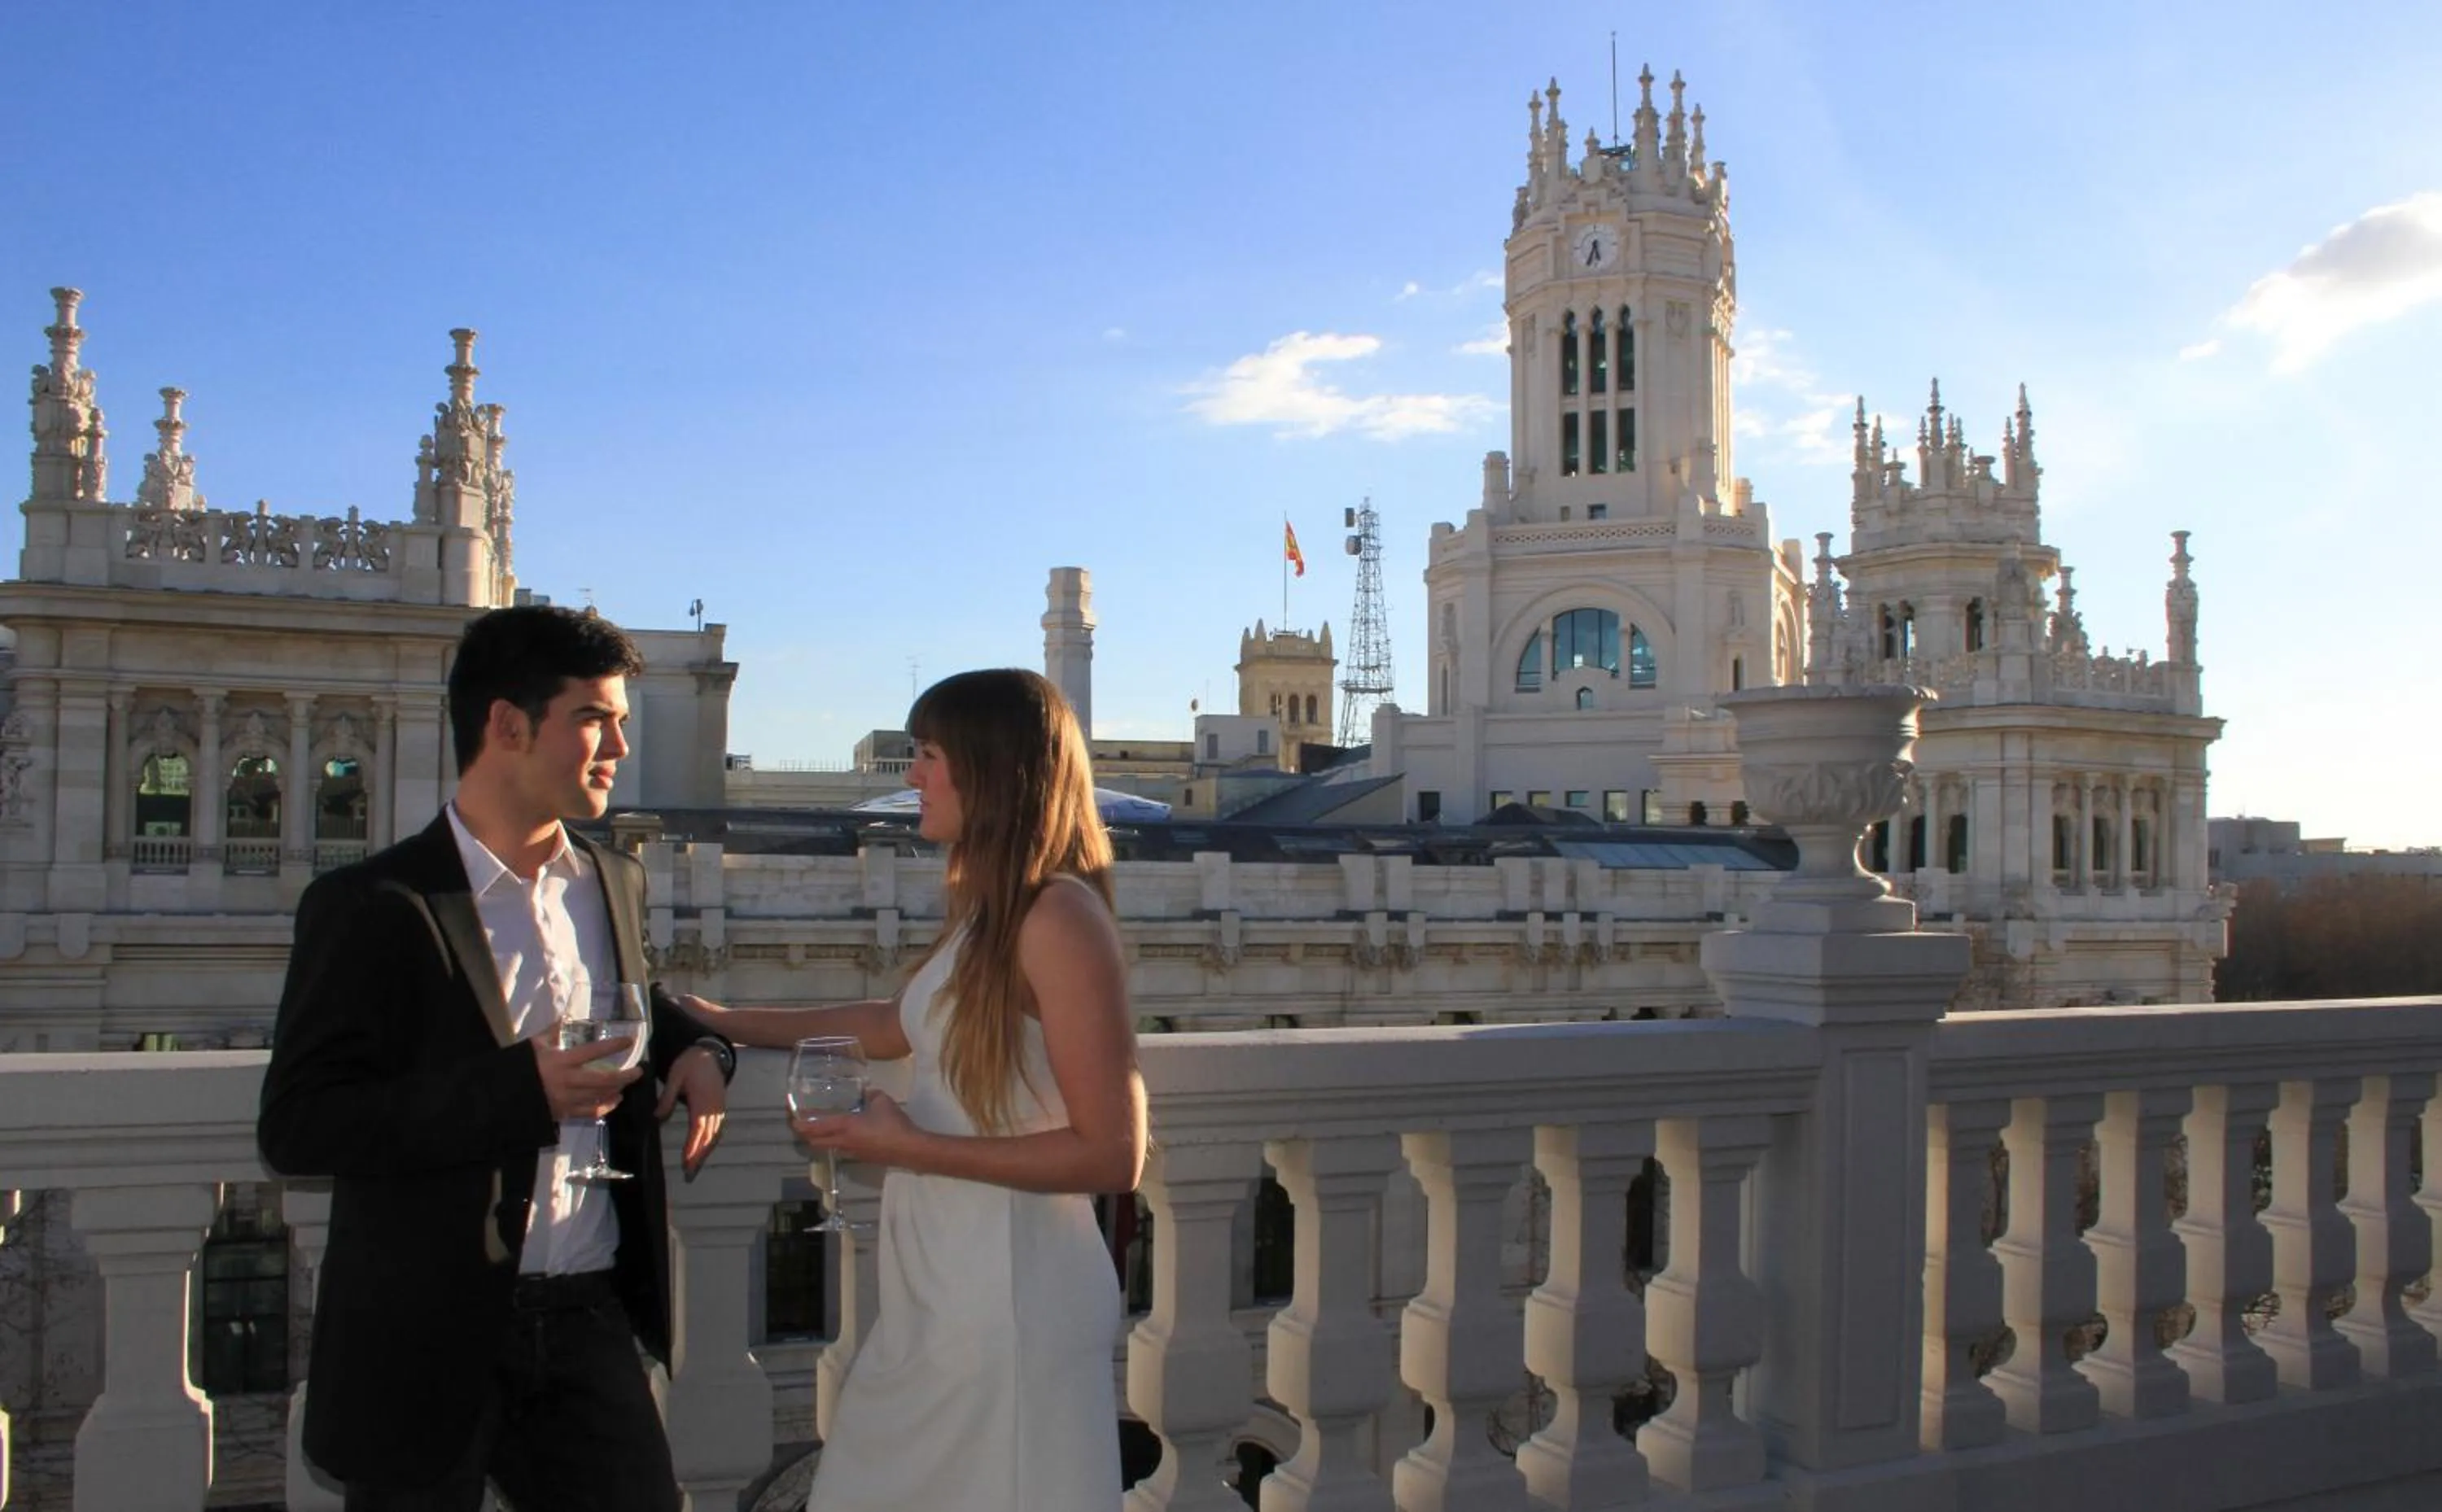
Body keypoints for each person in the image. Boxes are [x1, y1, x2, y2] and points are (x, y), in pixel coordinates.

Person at [257, 605, 735, 1511]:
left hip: (588, 1317)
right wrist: (521, 1091)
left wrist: (702, 1048)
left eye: (622, 722)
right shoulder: (374, 904)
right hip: (426, 1334)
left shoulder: (613, 878)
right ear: (507, 725)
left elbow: (636, 999)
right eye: (594, 719)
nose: (619, 747)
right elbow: (298, 1123)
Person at [682, 667, 1145, 1512]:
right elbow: (896, 1023)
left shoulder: (1060, 918)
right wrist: (724, 1020)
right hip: (949, 1288)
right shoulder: (988, 916)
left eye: (929, 754)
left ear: (994, 769)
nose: (911, 775)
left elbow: (1113, 1150)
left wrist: (907, 1147)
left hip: (1010, 1295)